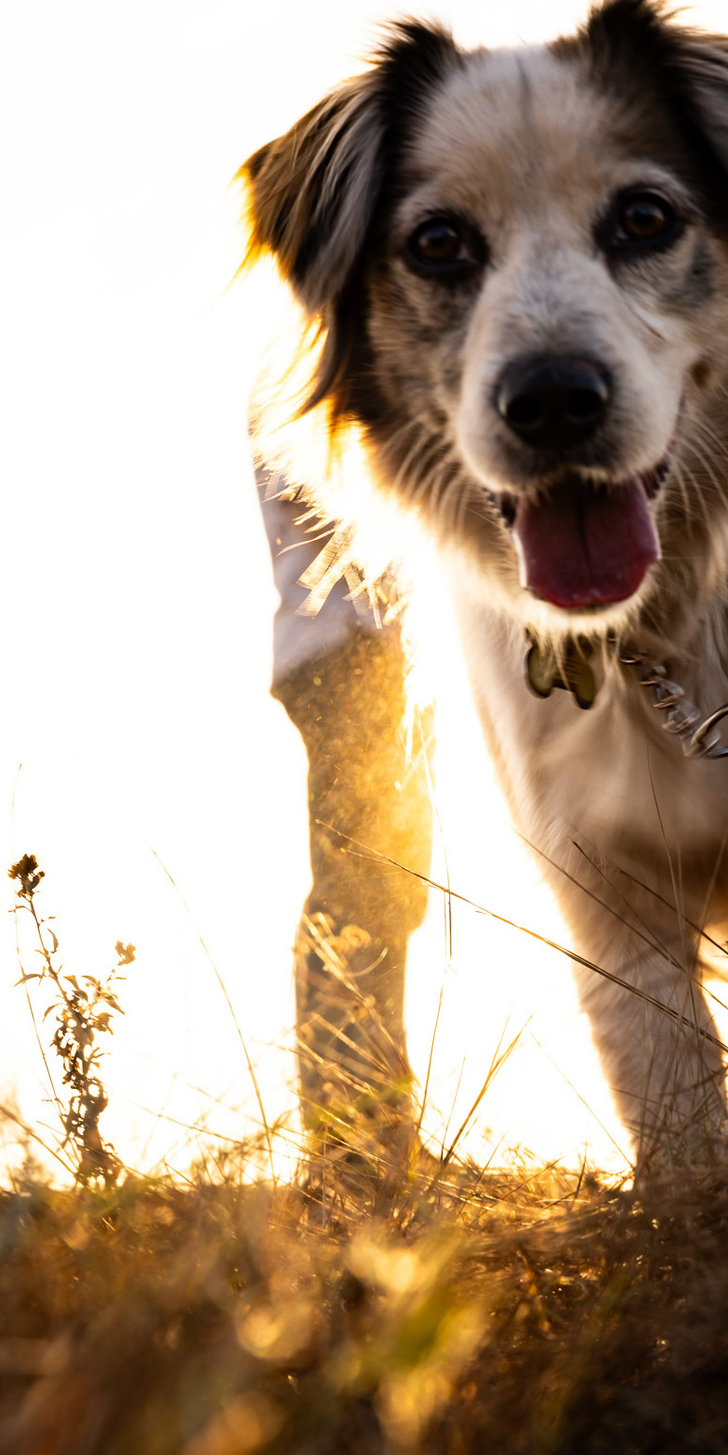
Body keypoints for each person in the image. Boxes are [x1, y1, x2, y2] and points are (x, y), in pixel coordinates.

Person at [256, 470, 432, 1168]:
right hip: (351, 647)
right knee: (361, 889)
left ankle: (374, 1127)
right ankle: (351, 1137)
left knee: (387, 888)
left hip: (378, 652)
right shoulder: (296, 374)